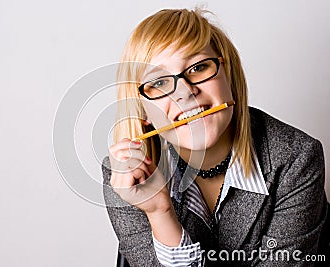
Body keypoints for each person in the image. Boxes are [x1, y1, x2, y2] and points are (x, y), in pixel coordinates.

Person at [102, 8, 327, 266]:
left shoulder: (296, 159)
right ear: (142, 110)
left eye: (198, 67)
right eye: (160, 83)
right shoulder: (126, 175)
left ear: (227, 74)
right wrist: (159, 212)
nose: (185, 93)